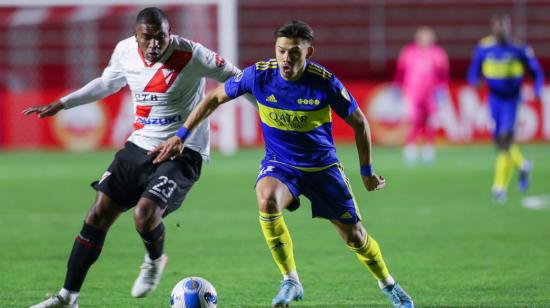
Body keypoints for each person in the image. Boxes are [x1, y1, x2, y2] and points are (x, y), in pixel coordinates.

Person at [150, 20, 414, 308]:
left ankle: (388, 284)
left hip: (322, 169)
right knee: (266, 200)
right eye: (281, 51)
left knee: (355, 237)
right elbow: (214, 97)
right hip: (281, 165)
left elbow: (360, 122)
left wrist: (366, 172)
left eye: (294, 53)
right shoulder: (259, 76)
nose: (286, 58)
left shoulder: (324, 82)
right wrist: (181, 135)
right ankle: (290, 280)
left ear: (308, 52)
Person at [24, 7, 241, 308]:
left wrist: (269, 118)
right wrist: (63, 103)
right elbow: (107, 83)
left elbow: (238, 79)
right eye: (147, 38)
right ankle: (67, 298)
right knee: (97, 214)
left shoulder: (191, 54)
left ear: (170, 34)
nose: (154, 45)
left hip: (182, 151)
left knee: (145, 214)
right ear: (136, 36)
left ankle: (154, 261)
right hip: (139, 145)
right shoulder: (125, 51)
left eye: (160, 37)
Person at [467, 13, 544, 204]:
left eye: (503, 26)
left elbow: (536, 72)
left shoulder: (519, 48)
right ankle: (523, 165)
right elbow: (473, 70)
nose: (500, 29)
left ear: (508, 27)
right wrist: (474, 81)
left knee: (504, 139)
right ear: (492, 27)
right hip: (494, 99)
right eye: (497, 26)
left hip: (511, 100)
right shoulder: (484, 47)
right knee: (500, 142)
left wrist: (536, 89)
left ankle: (499, 188)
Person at [395, 26, 449, 165]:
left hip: (431, 94)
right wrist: (399, 88)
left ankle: (428, 148)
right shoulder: (409, 52)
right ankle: (411, 147)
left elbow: (443, 75)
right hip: (413, 93)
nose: (425, 39)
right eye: (422, 36)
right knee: (413, 120)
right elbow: (400, 72)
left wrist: (441, 91)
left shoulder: (438, 53)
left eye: (428, 37)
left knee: (430, 121)